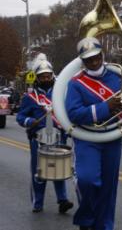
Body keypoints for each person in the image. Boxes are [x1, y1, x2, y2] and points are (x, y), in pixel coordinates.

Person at [65, 37, 122, 230]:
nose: (94, 62)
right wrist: (104, 107)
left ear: (102, 54)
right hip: (87, 138)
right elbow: (74, 114)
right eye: (88, 59)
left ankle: (104, 226)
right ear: (82, 61)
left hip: (112, 138)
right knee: (87, 180)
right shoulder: (76, 83)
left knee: (108, 189)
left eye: (96, 57)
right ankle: (87, 219)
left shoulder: (117, 77)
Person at [16, 56, 73, 213]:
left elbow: (68, 113)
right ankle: (38, 202)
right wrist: (29, 121)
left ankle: (63, 200)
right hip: (38, 140)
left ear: (52, 76)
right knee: (39, 172)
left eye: (48, 75)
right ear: (38, 78)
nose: (46, 78)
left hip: (58, 138)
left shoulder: (60, 94)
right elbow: (20, 117)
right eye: (42, 76)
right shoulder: (30, 97)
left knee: (58, 169)